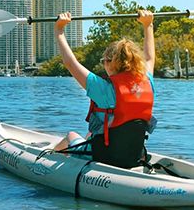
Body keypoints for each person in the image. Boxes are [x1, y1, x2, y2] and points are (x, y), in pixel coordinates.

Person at [53, 10, 155, 169]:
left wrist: (59, 30)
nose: (103, 64)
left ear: (109, 62)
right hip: (134, 156)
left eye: (103, 61)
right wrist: (148, 25)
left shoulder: (104, 89)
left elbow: (70, 63)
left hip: (106, 157)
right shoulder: (148, 82)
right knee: (90, 135)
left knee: (70, 136)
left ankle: (48, 161)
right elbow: (149, 58)